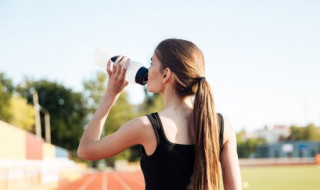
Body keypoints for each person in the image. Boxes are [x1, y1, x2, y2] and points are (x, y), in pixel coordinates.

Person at [77, 38, 242, 190]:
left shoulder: (145, 127)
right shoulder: (223, 126)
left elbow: (85, 150)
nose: (147, 70)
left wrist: (110, 95)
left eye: (151, 63)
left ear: (166, 74)